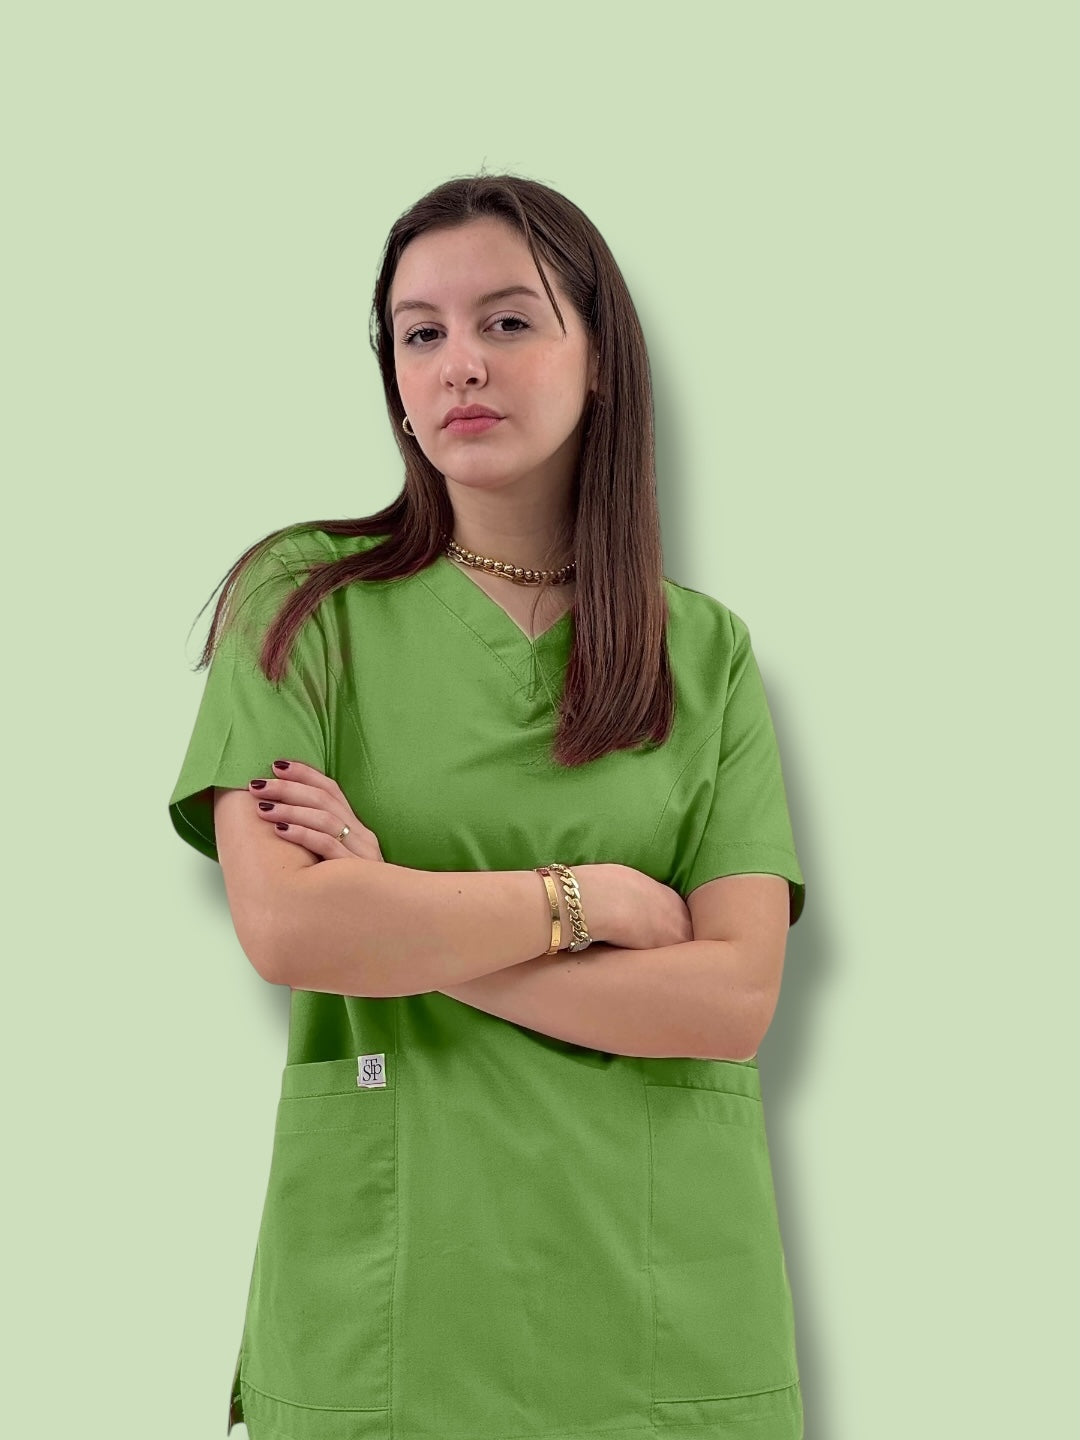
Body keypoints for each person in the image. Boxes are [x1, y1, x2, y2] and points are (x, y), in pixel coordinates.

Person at [168, 171, 808, 1440]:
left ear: (600, 358)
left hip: (660, 1315)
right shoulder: (303, 606)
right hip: (396, 1306)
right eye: (421, 334)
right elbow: (289, 930)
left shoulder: (705, 654)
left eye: (507, 321)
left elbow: (732, 1001)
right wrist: (587, 901)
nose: (459, 362)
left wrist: (395, 915)